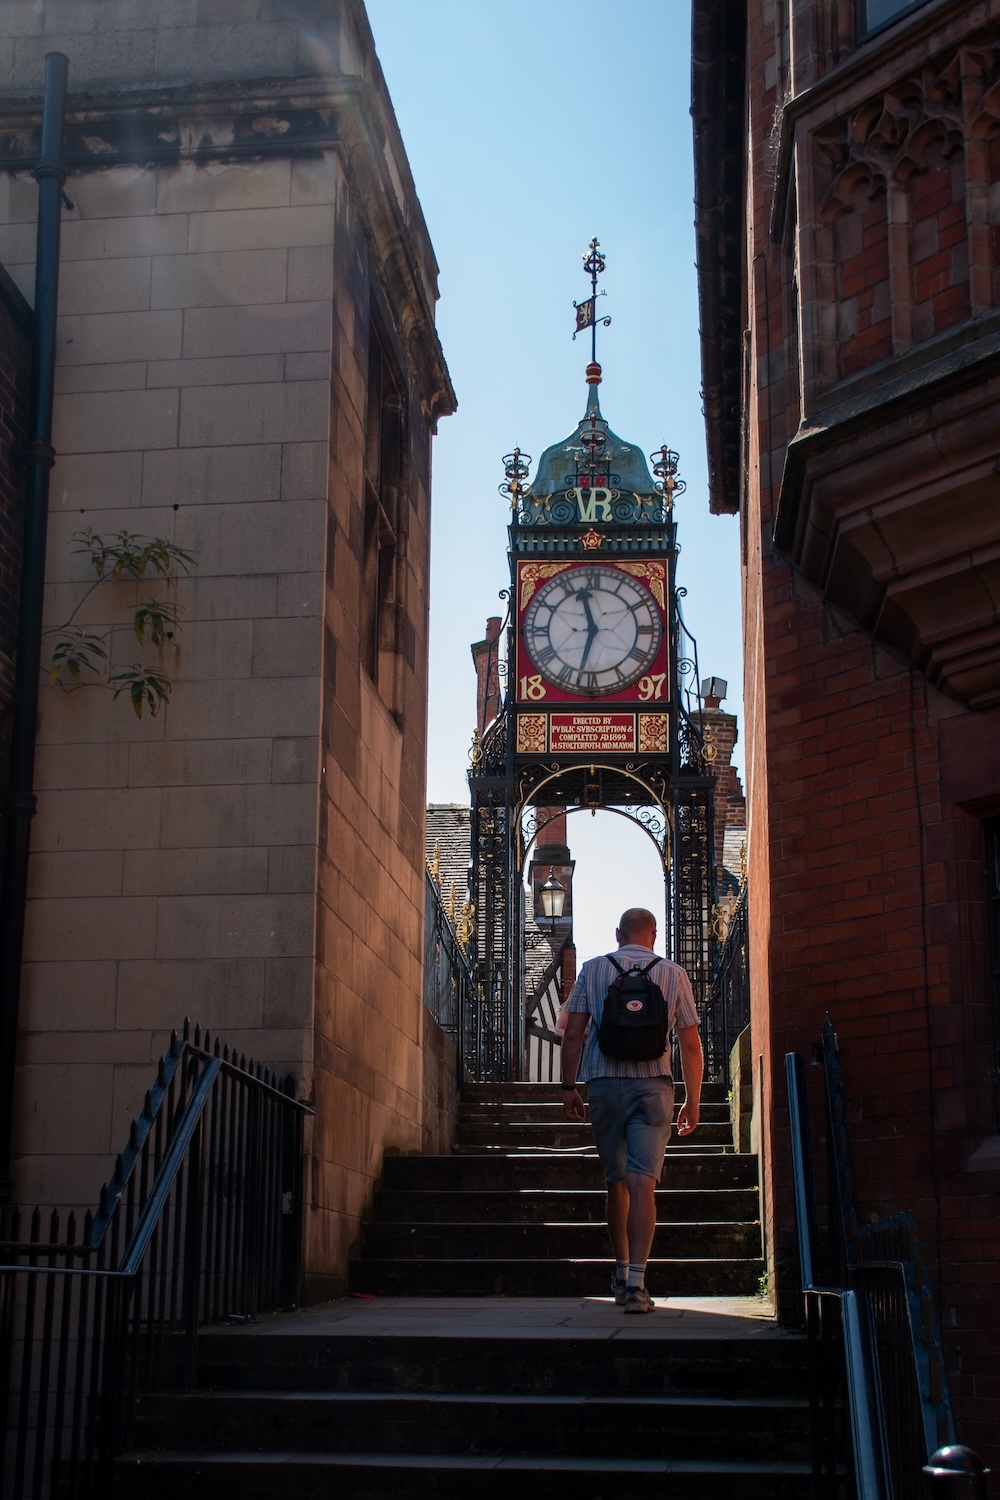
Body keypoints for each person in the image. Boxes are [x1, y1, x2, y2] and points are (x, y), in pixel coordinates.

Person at [560, 906, 702, 1313]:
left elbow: (573, 1033)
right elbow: (690, 1045)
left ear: (618, 933)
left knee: (616, 1183)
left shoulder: (593, 969)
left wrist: (569, 1087)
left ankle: (620, 1274)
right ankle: (639, 1285)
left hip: (604, 1086)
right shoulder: (672, 973)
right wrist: (692, 1101)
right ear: (654, 936)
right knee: (644, 1185)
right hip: (654, 1088)